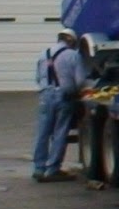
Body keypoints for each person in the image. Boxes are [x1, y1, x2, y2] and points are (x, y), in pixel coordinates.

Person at [32, 27, 87, 182]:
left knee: (42, 133)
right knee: (60, 132)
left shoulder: (43, 54)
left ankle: (38, 168)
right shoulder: (73, 55)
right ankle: (53, 169)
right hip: (64, 97)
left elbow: (37, 78)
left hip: (45, 96)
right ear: (71, 41)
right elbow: (80, 81)